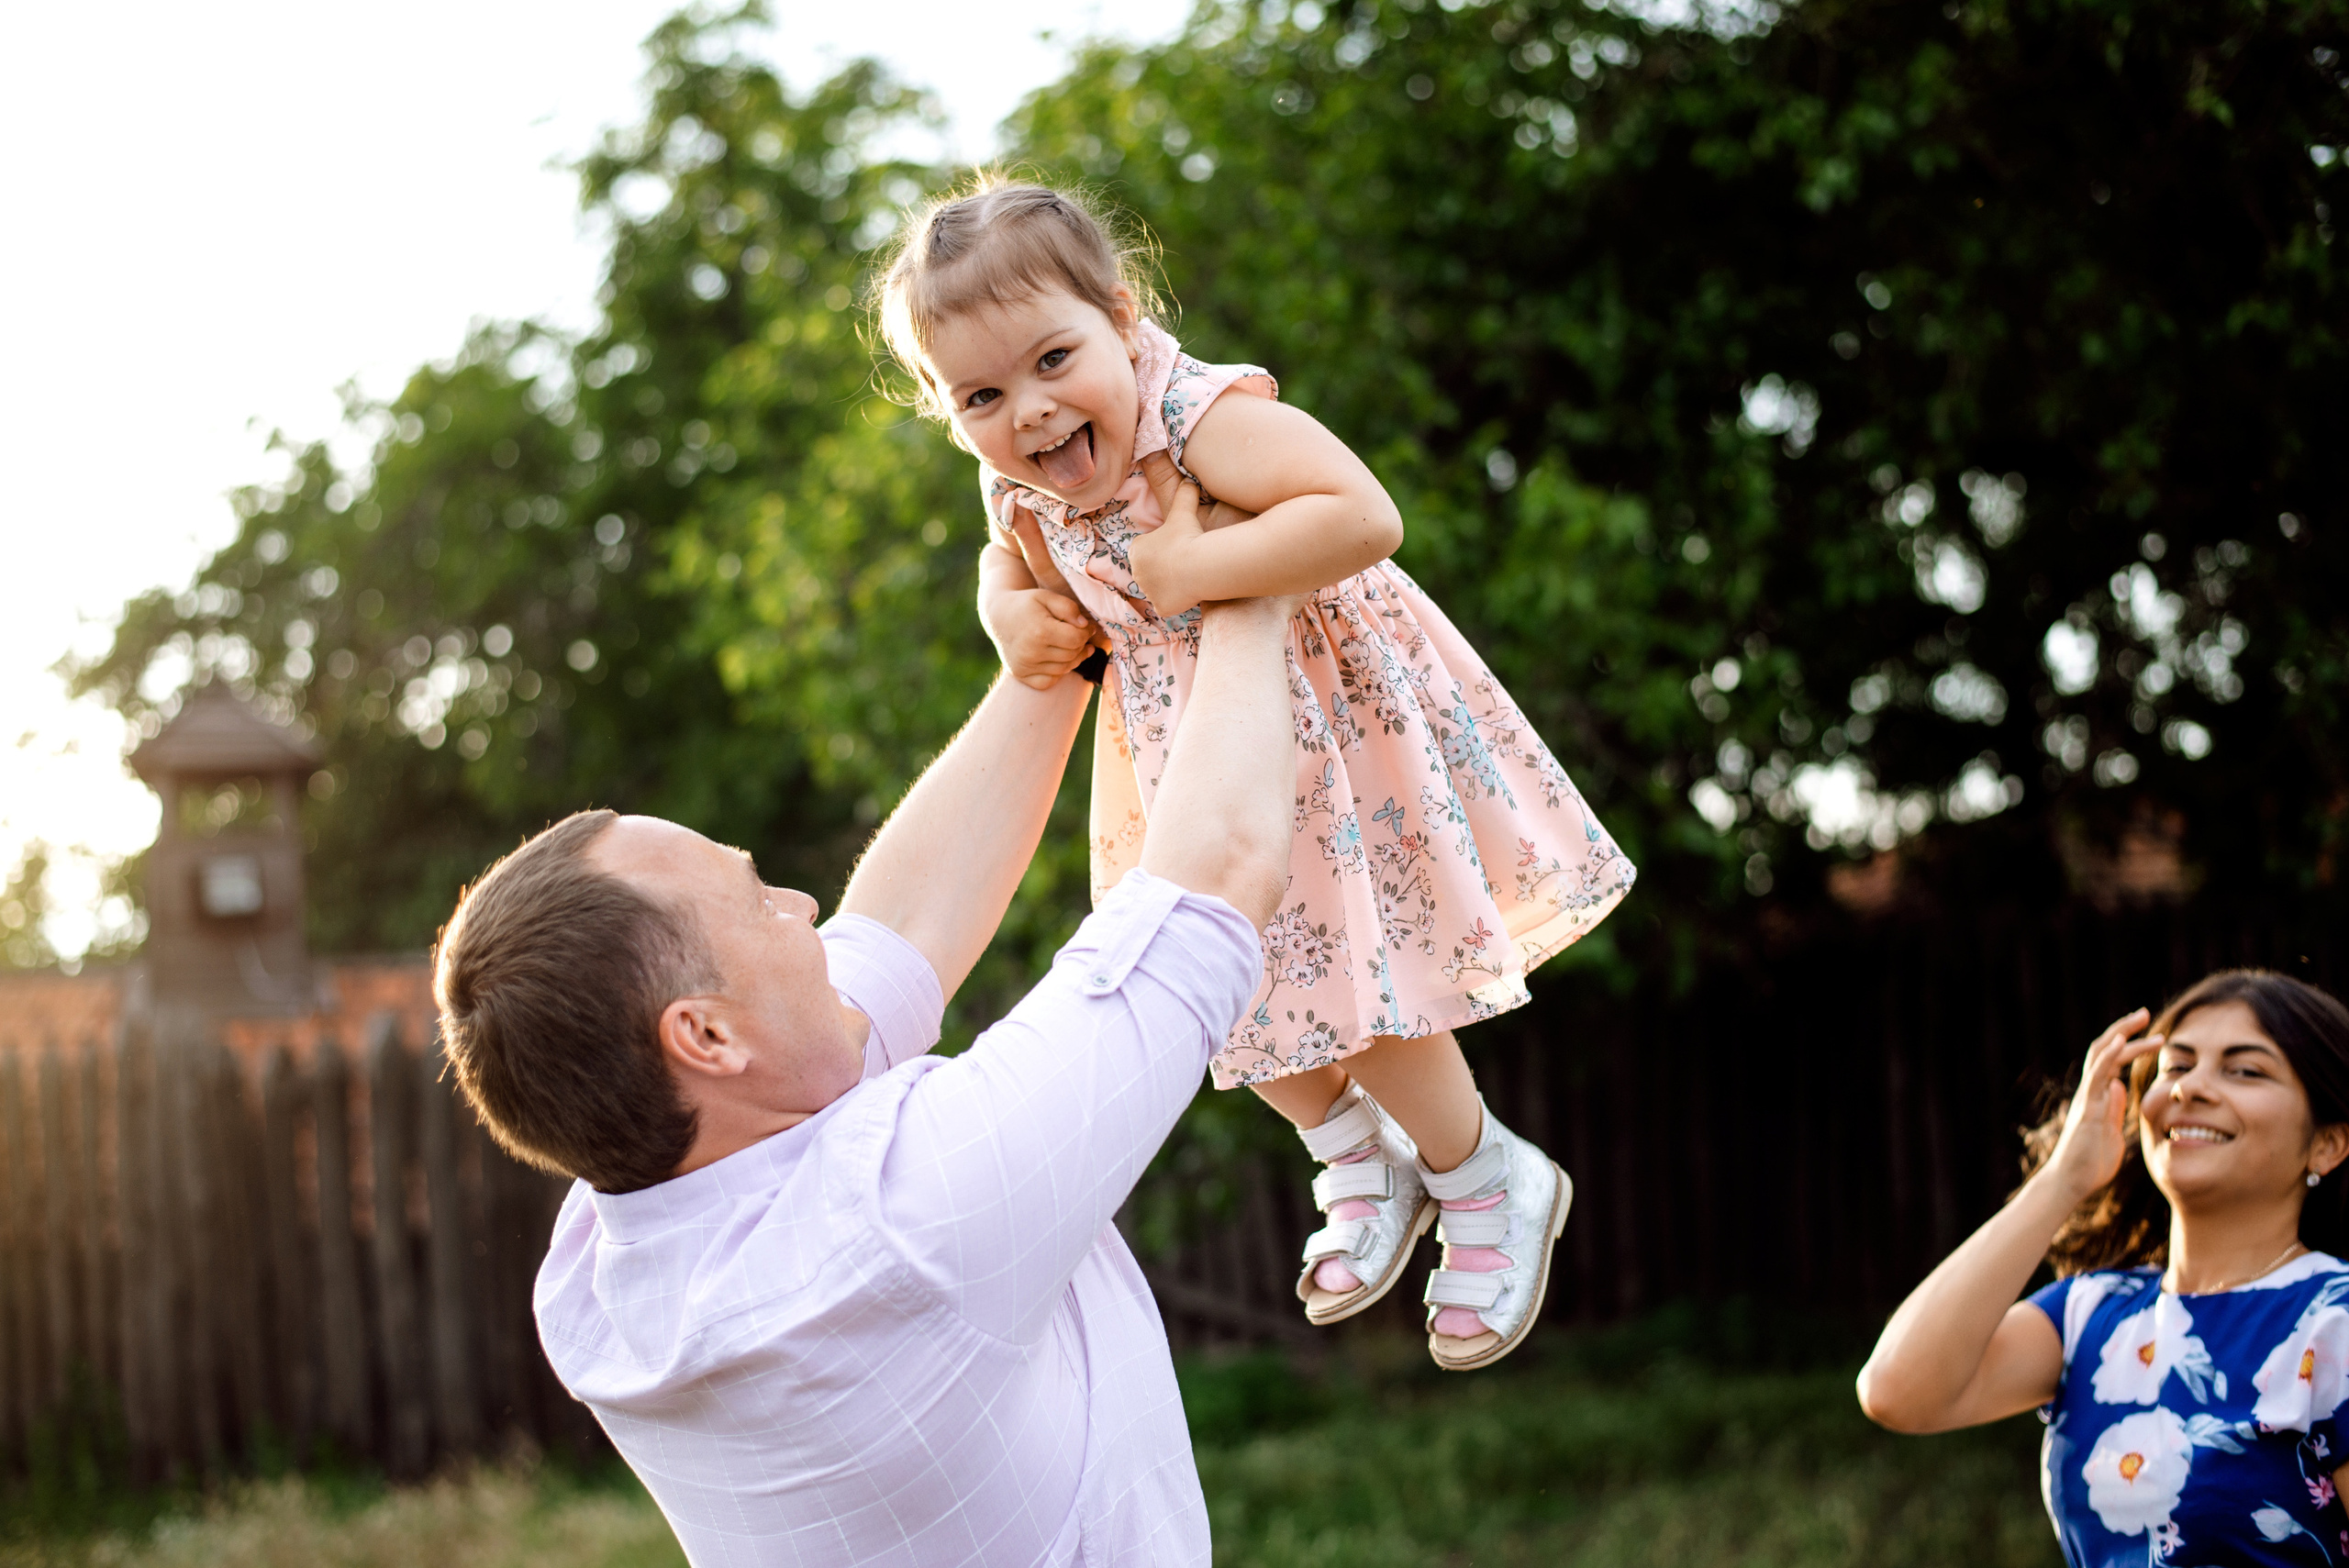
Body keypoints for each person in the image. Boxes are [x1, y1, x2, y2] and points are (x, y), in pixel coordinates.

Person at [431, 472, 1298, 1568]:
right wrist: (1250, 571)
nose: (802, 907)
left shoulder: (604, 1258)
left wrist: (1051, 668)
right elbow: (1215, 871)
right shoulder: (909, 1221)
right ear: (704, 1037)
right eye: (757, 900)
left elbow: (898, 927)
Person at [872, 174, 1637, 1370]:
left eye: (1054, 358)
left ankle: (1483, 1171)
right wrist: (1003, 614)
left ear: (1125, 321)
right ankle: (1352, 1145)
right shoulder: (1017, 481)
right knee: (1215, 989)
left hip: (1320, 726)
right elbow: (1007, 566)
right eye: (980, 393)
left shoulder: (1202, 420)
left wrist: (1194, 570)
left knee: (1345, 983)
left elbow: (1363, 514)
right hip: (1179, 760)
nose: (1028, 410)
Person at [1856, 971, 2349, 1565]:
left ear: (2327, 1142)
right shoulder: (2089, 1313)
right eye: (2176, 1065)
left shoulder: (2333, 1319)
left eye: (2245, 1069)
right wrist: (2064, 1177)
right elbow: (1897, 1389)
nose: (2192, 1088)